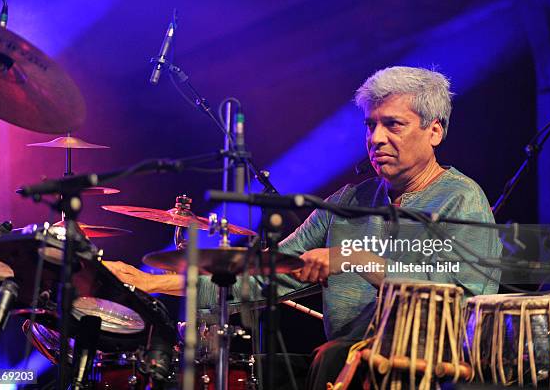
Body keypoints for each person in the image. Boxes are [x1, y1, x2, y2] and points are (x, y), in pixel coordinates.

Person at [106, 66, 501, 388]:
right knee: (244, 371)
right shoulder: (347, 202)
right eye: (370, 125)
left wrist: (356, 258)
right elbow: (266, 274)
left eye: (393, 125)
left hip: (427, 370)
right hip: (348, 361)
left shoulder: (461, 200)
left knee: (329, 358)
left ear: (434, 131)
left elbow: (463, 301)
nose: (376, 138)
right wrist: (152, 282)